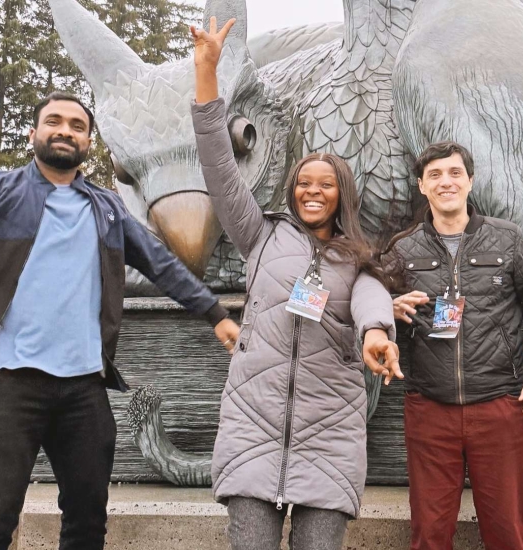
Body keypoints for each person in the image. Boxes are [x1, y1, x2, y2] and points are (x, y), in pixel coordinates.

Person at [0, 91, 236, 550]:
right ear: (33, 133)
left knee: (88, 522)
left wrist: (214, 314)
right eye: (54, 121)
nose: (65, 130)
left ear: (88, 142)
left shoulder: (108, 209)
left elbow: (162, 263)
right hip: (8, 386)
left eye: (77, 125)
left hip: (83, 391)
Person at [190, 17, 401, 550]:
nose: (312, 192)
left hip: (329, 435)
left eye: (324, 185)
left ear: (341, 194)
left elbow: (372, 296)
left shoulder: (358, 257)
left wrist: (377, 333)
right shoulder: (258, 236)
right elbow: (218, 165)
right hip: (252, 430)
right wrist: (207, 74)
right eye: (303, 183)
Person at [381, 140, 523, 550]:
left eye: (454, 173)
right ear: (421, 187)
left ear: (470, 181)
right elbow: (368, 309)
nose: (445, 182)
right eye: (435, 175)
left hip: (501, 407)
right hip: (429, 410)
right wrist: (386, 307)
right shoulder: (402, 250)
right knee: (429, 536)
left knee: (507, 536)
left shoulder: (508, 240)